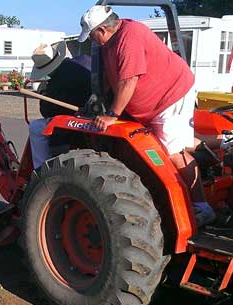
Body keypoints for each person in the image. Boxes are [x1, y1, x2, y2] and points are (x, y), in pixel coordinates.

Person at [77, 5, 215, 226]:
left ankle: (202, 207)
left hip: (171, 95)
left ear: (102, 30)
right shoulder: (109, 43)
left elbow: (128, 80)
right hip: (153, 104)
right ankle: (217, 148)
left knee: (169, 151)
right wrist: (97, 102)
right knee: (166, 142)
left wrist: (112, 114)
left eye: (92, 36)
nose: (92, 41)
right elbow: (108, 76)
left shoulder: (130, 37)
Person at [29, 41, 92, 168]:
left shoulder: (57, 82)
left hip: (78, 120)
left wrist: (43, 93)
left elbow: (47, 111)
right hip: (94, 110)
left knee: (36, 127)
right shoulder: (83, 61)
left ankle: (40, 170)